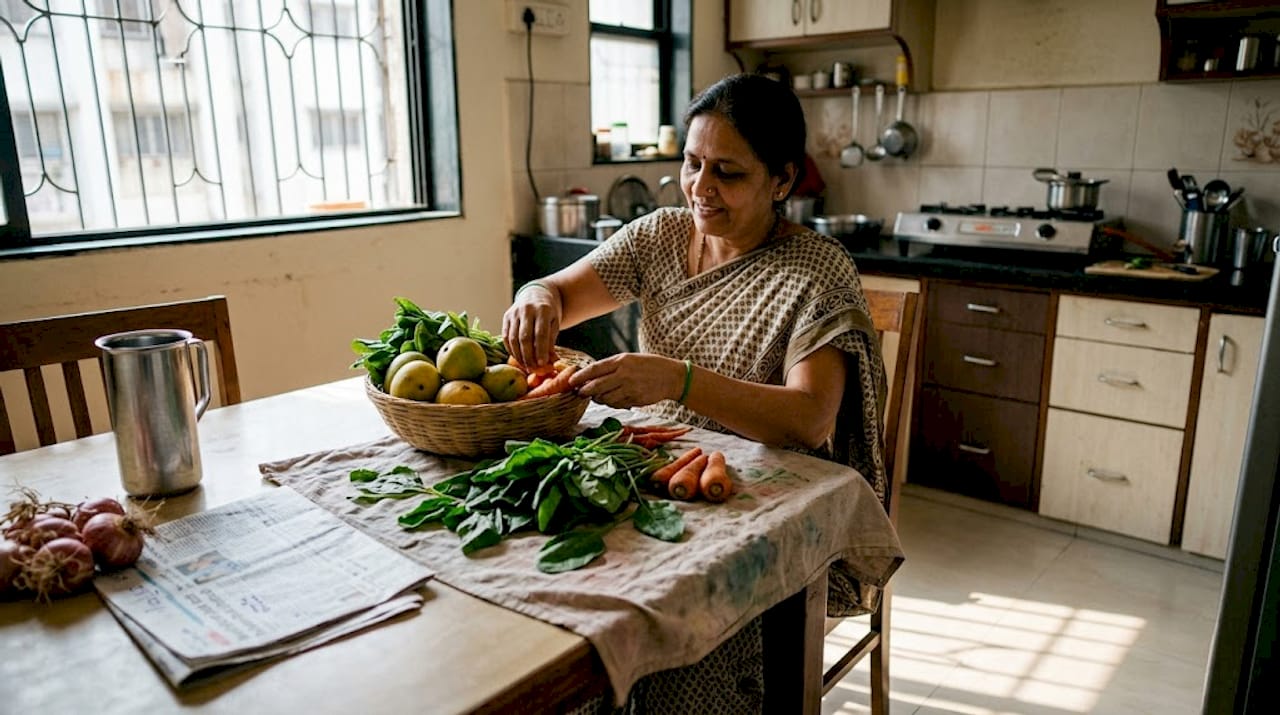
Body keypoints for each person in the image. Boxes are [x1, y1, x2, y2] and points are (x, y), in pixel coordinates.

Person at [506, 72, 889, 712]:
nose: (700, 188)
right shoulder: (659, 236)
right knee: (556, 594)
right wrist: (535, 297)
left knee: (670, 641)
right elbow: (559, 291)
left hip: (755, 505)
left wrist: (675, 379)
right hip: (652, 476)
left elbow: (809, 420)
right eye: (691, 163)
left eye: (727, 173)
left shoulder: (816, 270)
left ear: (782, 180)